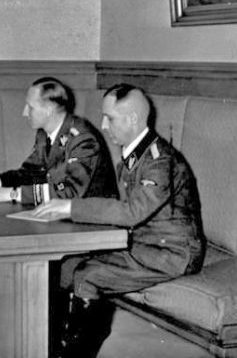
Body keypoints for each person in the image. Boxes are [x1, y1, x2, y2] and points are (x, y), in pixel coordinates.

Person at [32, 83, 206, 358]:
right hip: (144, 245)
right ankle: (53, 347)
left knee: (89, 276)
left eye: (110, 118)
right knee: (66, 266)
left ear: (133, 119)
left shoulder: (160, 162)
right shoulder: (133, 157)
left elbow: (132, 211)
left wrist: (71, 207)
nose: (103, 124)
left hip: (172, 253)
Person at [0, 77, 117, 205]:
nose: (24, 112)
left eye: (30, 107)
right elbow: (30, 173)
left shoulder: (83, 139)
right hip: (62, 214)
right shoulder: (44, 133)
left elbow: (70, 192)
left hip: (93, 223)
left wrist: (10, 194)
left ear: (48, 110)